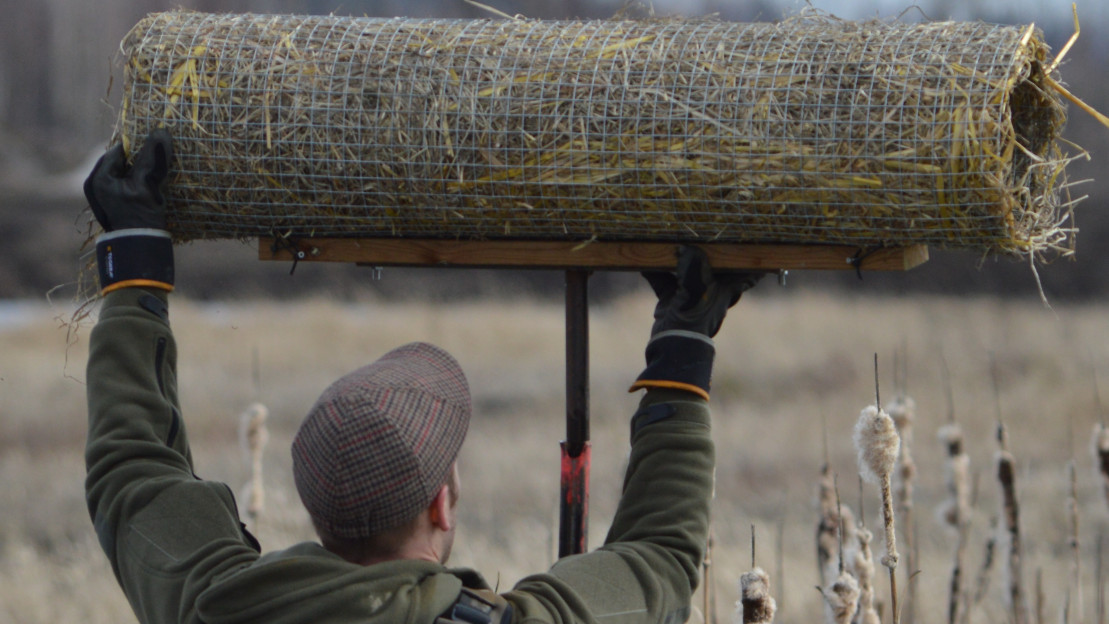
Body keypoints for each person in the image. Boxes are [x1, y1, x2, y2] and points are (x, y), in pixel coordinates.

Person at [83, 130, 761, 624]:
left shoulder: (209, 604)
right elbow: (662, 562)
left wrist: (132, 260)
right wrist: (681, 349)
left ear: (317, 506)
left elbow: (132, 470)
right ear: (443, 504)